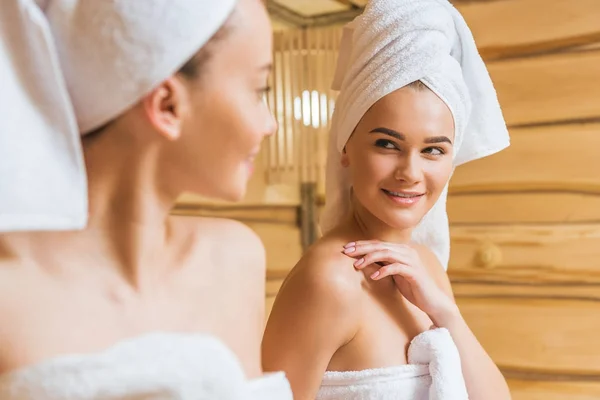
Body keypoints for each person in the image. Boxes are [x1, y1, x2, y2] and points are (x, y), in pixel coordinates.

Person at [0, 0, 292, 398]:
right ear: (167, 106)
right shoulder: (11, 297)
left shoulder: (235, 261)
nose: (270, 124)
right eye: (259, 90)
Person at [262, 0, 511, 399]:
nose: (410, 173)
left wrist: (445, 313)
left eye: (433, 150)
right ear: (346, 147)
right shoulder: (330, 281)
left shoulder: (425, 268)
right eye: (387, 144)